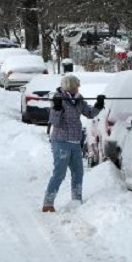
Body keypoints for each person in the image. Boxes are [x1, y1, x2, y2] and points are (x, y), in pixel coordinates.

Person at [42, 75, 105, 212]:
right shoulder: (58, 99)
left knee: (78, 172)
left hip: (75, 142)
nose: (79, 87)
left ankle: (76, 200)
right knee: (59, 173)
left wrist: (98, 105)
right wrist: (57, 108)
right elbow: (54, 122)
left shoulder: (78, 99)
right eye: (77, 85)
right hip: (61, 142)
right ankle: (48, 203)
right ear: (70, 86)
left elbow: (89, 113)